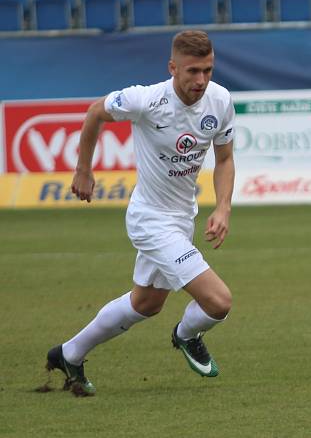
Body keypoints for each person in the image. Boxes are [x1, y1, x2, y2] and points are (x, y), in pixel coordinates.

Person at [46, 30, 236, 396]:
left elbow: (225, 159)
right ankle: (187, 334)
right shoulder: (146, 100)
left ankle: (69, 353)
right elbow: (94, 113)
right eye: (193, 71)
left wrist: (223, 206)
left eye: (208, 70)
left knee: (145, 303)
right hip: (150, 219)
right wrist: (83, 169)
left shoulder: (220, 101)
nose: (201, 80)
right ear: (173, 67)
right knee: (218, 301)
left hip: (182, 217)